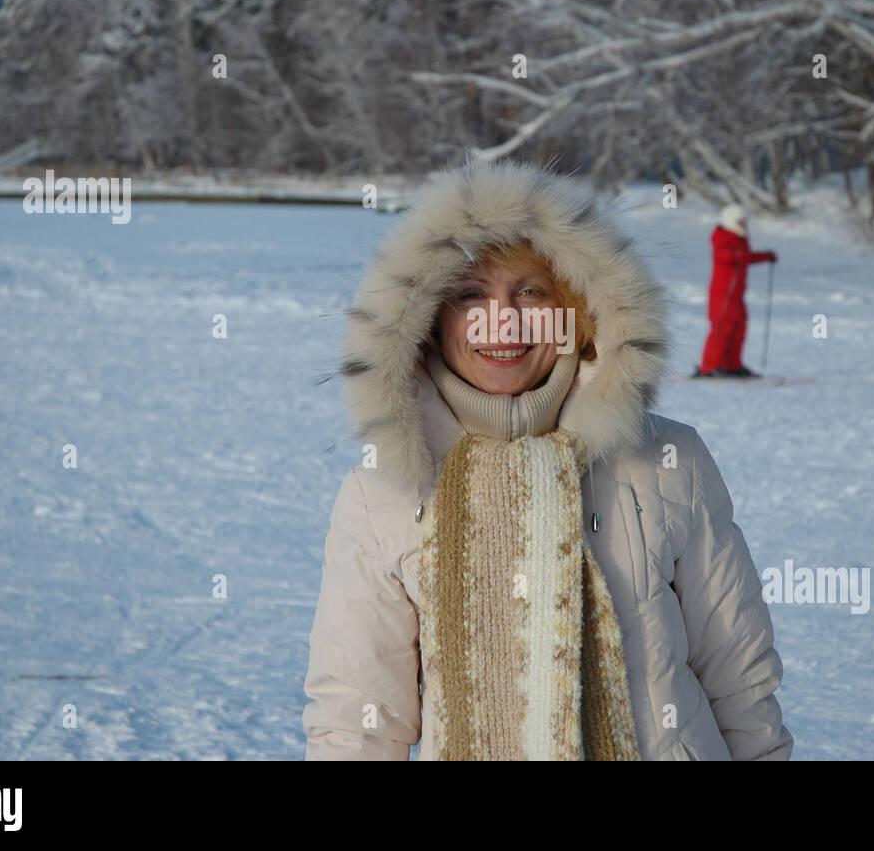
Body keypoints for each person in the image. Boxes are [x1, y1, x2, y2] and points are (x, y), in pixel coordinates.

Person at [303, 159, 793, 761]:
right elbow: (357, 719)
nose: (501, 321)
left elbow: (738, 676)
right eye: (469, 295)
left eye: (530, 291)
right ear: (428, 320)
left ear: (577, 308)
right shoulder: (383, 488)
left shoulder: (669, 461)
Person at [695, 202, 777, 378]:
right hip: (723, 294)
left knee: (739, 328)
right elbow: (727, 256)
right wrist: (741, 256)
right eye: (741, 221)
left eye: (744, 221)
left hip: (737, 295)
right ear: (731, 221)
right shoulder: (721, 238)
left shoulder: (740, 239)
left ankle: (732, 365)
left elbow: (745, 257)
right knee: (721, 328)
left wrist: (766, 256)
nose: (744, 225)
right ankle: (709, 367)